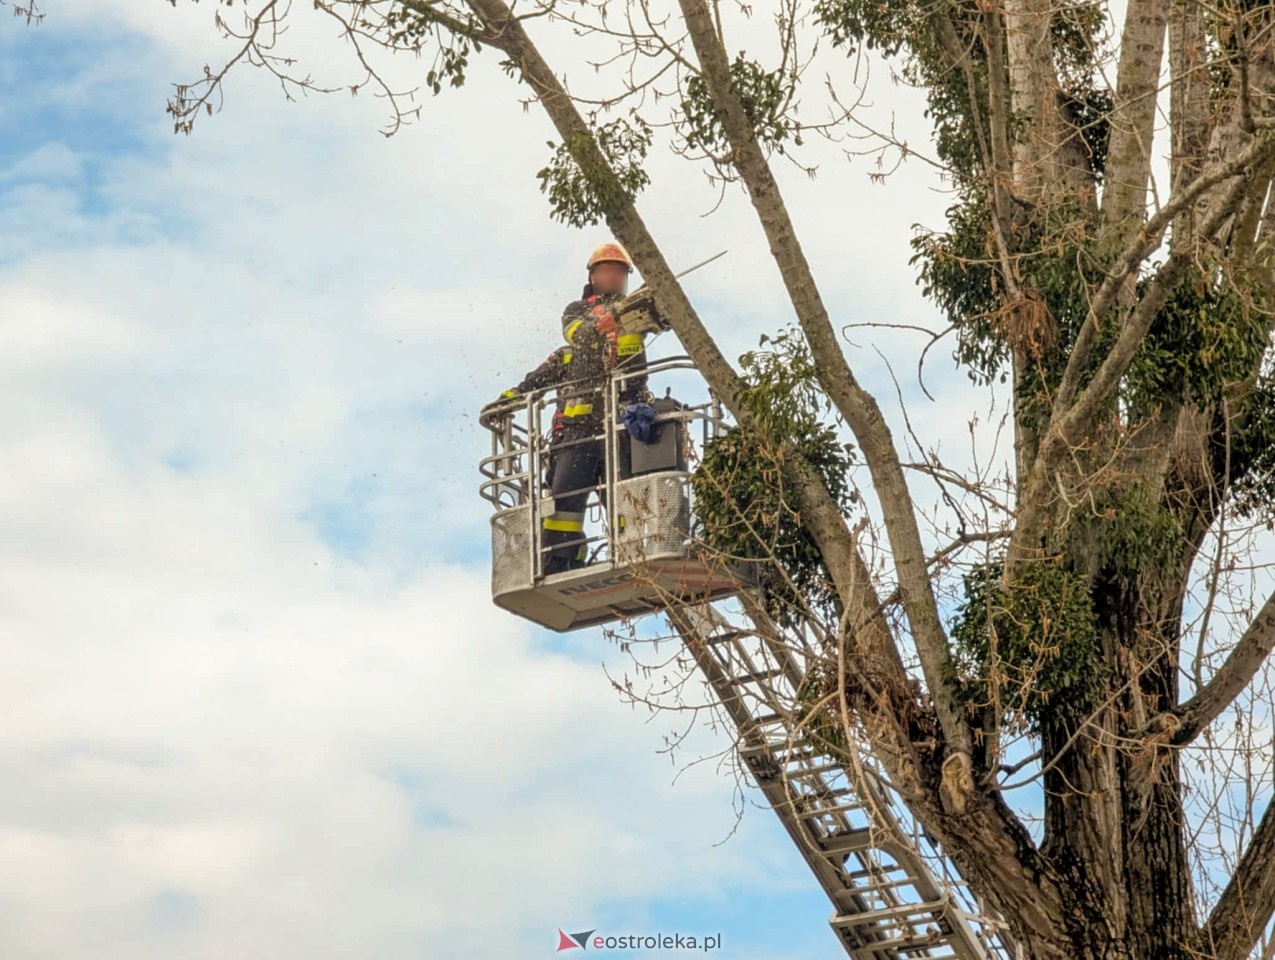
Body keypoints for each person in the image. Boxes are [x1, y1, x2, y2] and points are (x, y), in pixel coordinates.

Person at [485, 241, 655, 574]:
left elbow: (660, 316)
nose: (612, 276)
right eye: (606, 270)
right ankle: (561, 561)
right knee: (564, 504)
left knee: (625, 496)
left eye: (619, 272)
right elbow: (571, 338)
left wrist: (640, 308)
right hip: (576, 435)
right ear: (592, 276)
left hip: (622, 427)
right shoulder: (575, 317)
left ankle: (632, 554)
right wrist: (509, 399)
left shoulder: (635, 312)